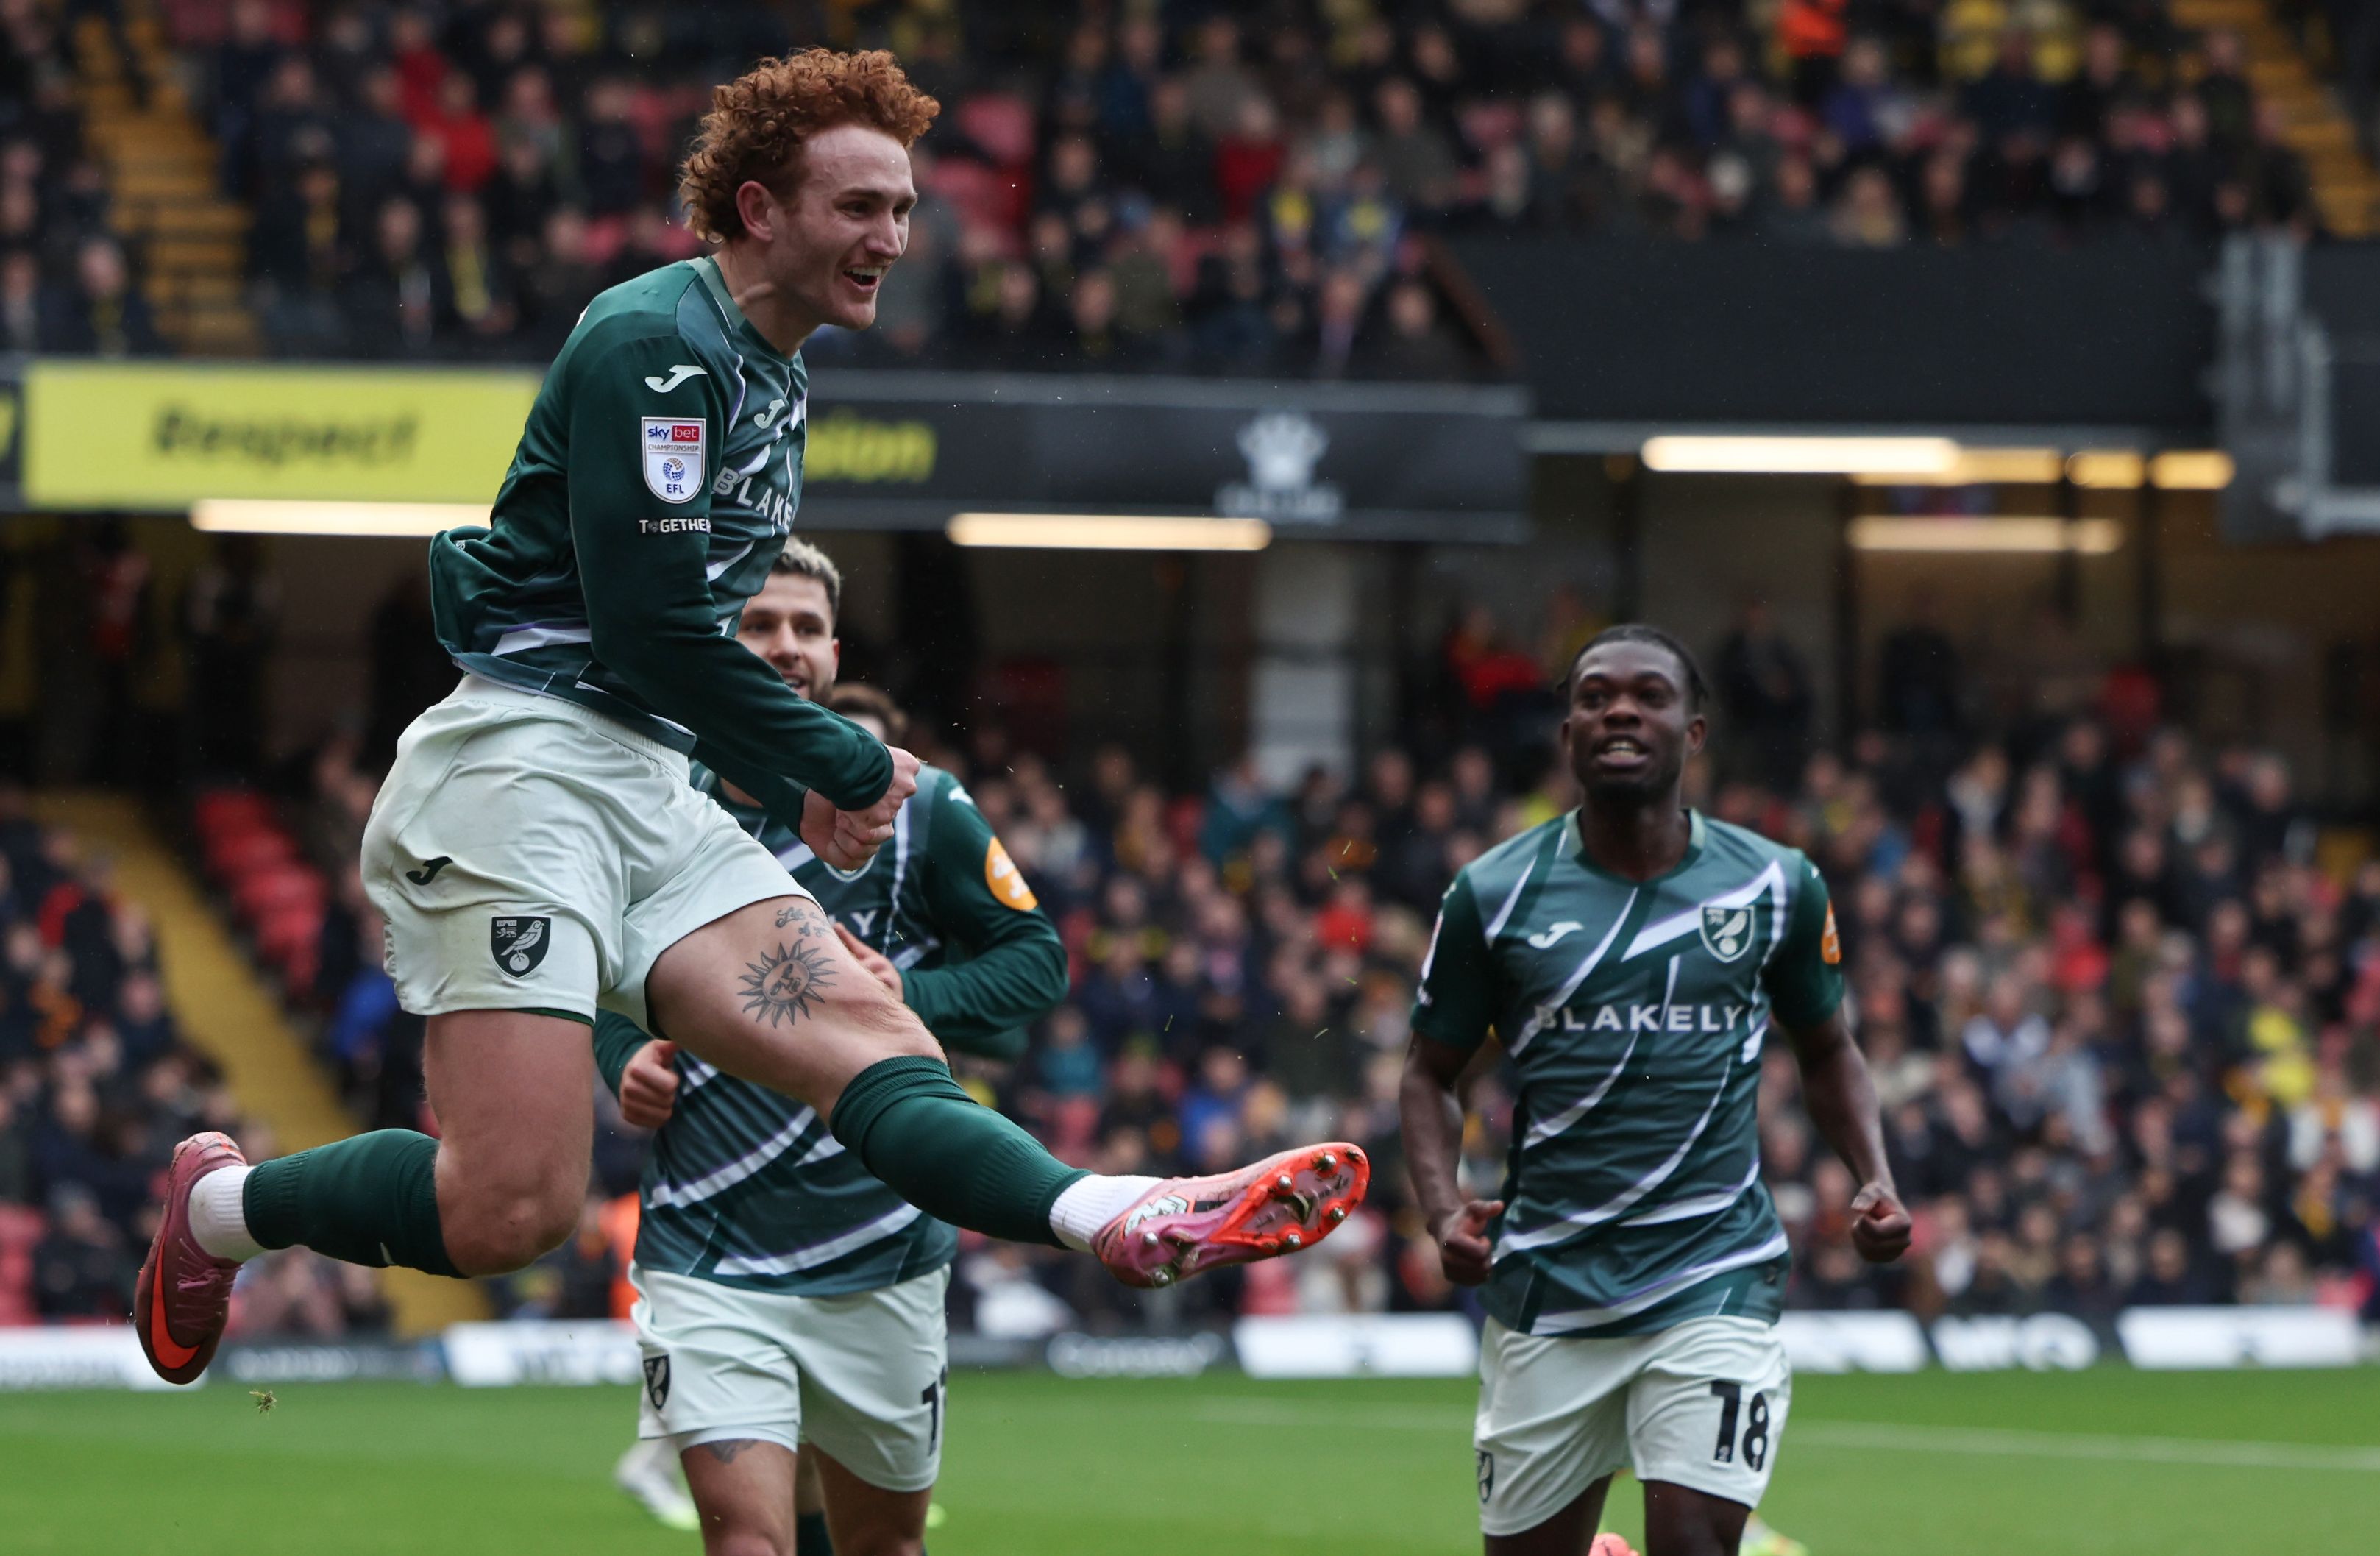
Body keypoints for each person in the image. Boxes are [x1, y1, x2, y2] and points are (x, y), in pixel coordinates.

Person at [135, 49, 1366, 1390]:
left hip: (648, 779)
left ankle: (1110, 1216)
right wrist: (829, 753)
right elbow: (653, 631)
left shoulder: (773, 376)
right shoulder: (659, 346)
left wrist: (784, 763)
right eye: (858, 207)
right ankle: (216, 1213)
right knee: (513, 1213)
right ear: (759, 210)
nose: (891, 238)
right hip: (519, 778)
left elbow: (676, 663)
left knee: (873, 1034)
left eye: (902, 208)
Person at [1399, 625, 1913, 1556]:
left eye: (1648, 695)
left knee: (1693, 1543)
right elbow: (1429, 1075)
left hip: (1711, 1275)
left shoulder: (1776, 884)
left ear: (1696, 730)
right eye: (1594, 697)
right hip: (1547, 1289)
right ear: (1566, 734)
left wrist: (1872, 1175)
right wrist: (1441, 1211)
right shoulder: (1493, 894)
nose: (1620, 710)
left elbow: (1829, 1046)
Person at [603, 541, 1048, 1556]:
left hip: (882, 1245)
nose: (784, 646)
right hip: (708, 1244)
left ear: (834, 649)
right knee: (748, 1543)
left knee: (884, 1544)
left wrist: (907, 992)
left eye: (805, 627)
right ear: (716, 636)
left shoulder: (914, 804)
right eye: (759, 624)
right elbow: (581, 970)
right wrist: (616, 1048)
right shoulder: (652, 801)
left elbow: (1036, 961)